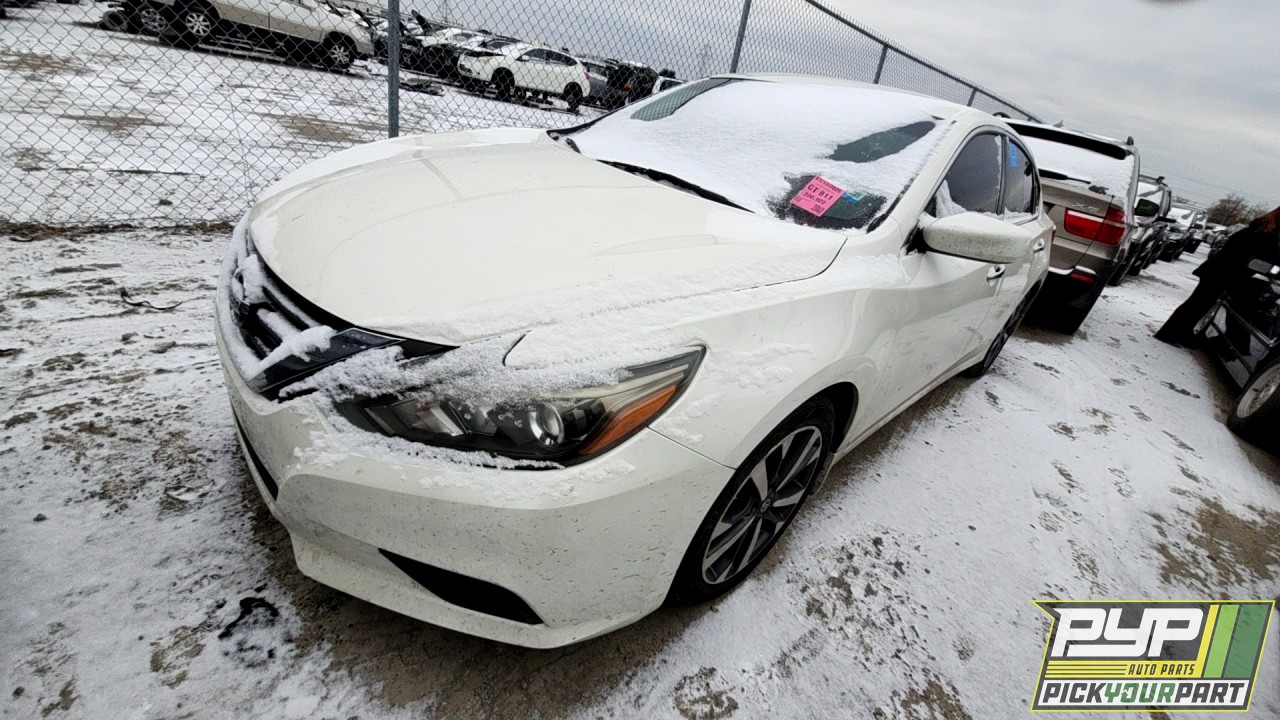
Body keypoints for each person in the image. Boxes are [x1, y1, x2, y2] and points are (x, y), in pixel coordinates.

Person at [1155, 206, 1280, 346]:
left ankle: (1180, 333)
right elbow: (1273, 257)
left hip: (1217, 271)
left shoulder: (1257, 228)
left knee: (1198, 305)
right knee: (1196, 306)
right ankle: (1168, 334)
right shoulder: (1266, 235)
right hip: (1222, 274)